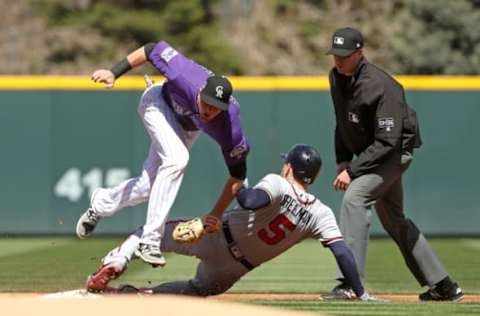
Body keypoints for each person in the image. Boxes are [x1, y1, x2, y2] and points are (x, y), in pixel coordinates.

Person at [84, 144, 381, 301]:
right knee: (198, 290)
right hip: (235, 269)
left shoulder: (277, 182)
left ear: (288, 166)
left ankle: (118, 261)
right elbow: (342, 252)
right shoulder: (322, 213)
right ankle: (143, 296)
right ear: (314, 177)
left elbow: (250, 201)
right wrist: (359, 291)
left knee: (150, 232)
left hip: (215, 236)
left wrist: (240, 185)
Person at [76, 41, 250, 267]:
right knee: (178, 159)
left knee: (147, 188)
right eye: (207, 102)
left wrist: (216, 214)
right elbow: (151, 49)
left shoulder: (229, 126)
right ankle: (150, 240)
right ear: (200, 92)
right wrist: (113, 72)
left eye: (216, 106)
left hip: (186, 129)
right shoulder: (183, 75)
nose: (210, 110)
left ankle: (100, 204)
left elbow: (238, 176)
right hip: (158, 103)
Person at [323, 27, 463, 302]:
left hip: (395, 153)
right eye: (335, 54)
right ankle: (444, 286)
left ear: (360, 53)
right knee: (394, 221)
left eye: (345, 55)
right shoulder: (336, 78)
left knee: (355, 197)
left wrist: (353, 171)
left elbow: (388, 142)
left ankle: (352, 284)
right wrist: (343, 161)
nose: (339, 60)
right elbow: (342, 124)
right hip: (369, 152)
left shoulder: (383, 86)